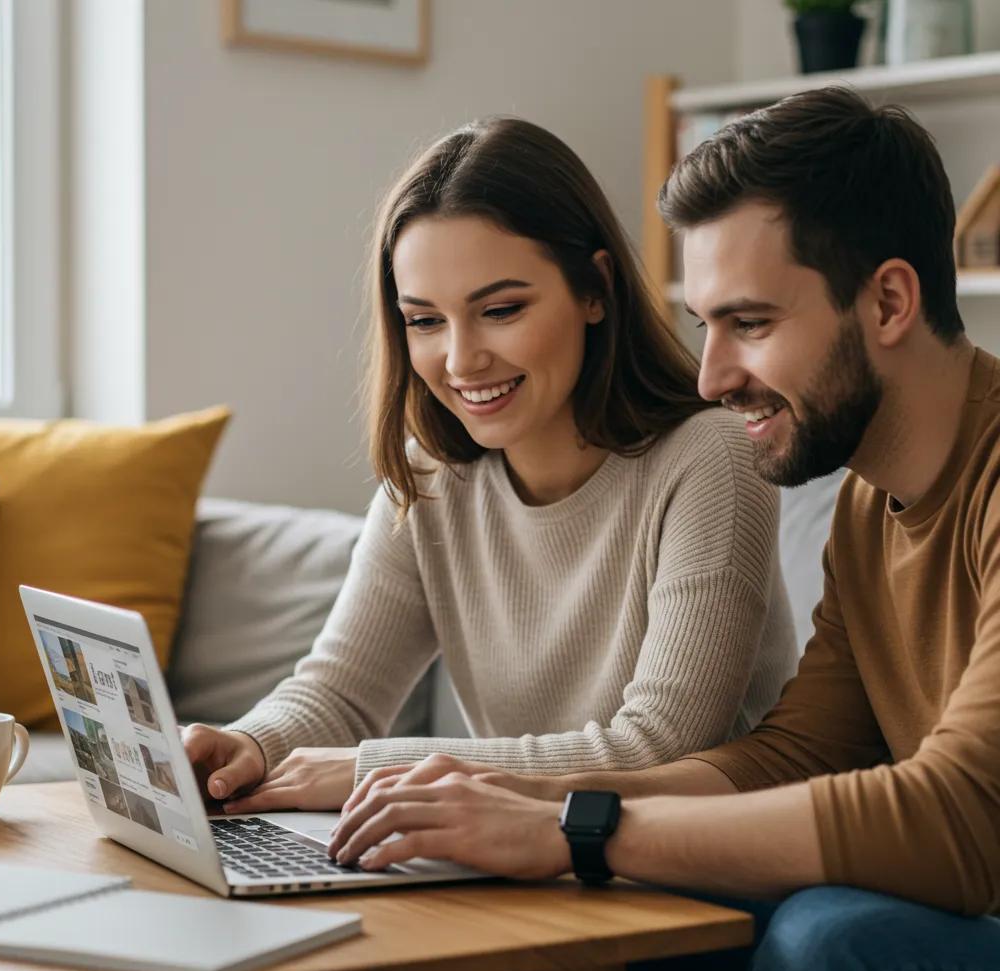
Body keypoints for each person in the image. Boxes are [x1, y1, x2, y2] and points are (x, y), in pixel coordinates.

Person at [327, 88, 1000, 971]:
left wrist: (577, 831)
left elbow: (960, 818)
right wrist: (518, 809)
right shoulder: (866, 506)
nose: (711, 377)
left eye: (752, 325)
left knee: (835, 944)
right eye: (706, 326)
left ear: (889, 300)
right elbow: (791, 758)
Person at [182, 116, 797, 814]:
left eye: (500, 310)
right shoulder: (431, 477)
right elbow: (341, 693)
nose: (460, 359)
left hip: (694, 864)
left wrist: (368, 770)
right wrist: (250, 748)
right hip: (518, 864)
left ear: (595, 289)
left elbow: (659, 745)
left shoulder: (710, 456)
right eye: (424, 320)